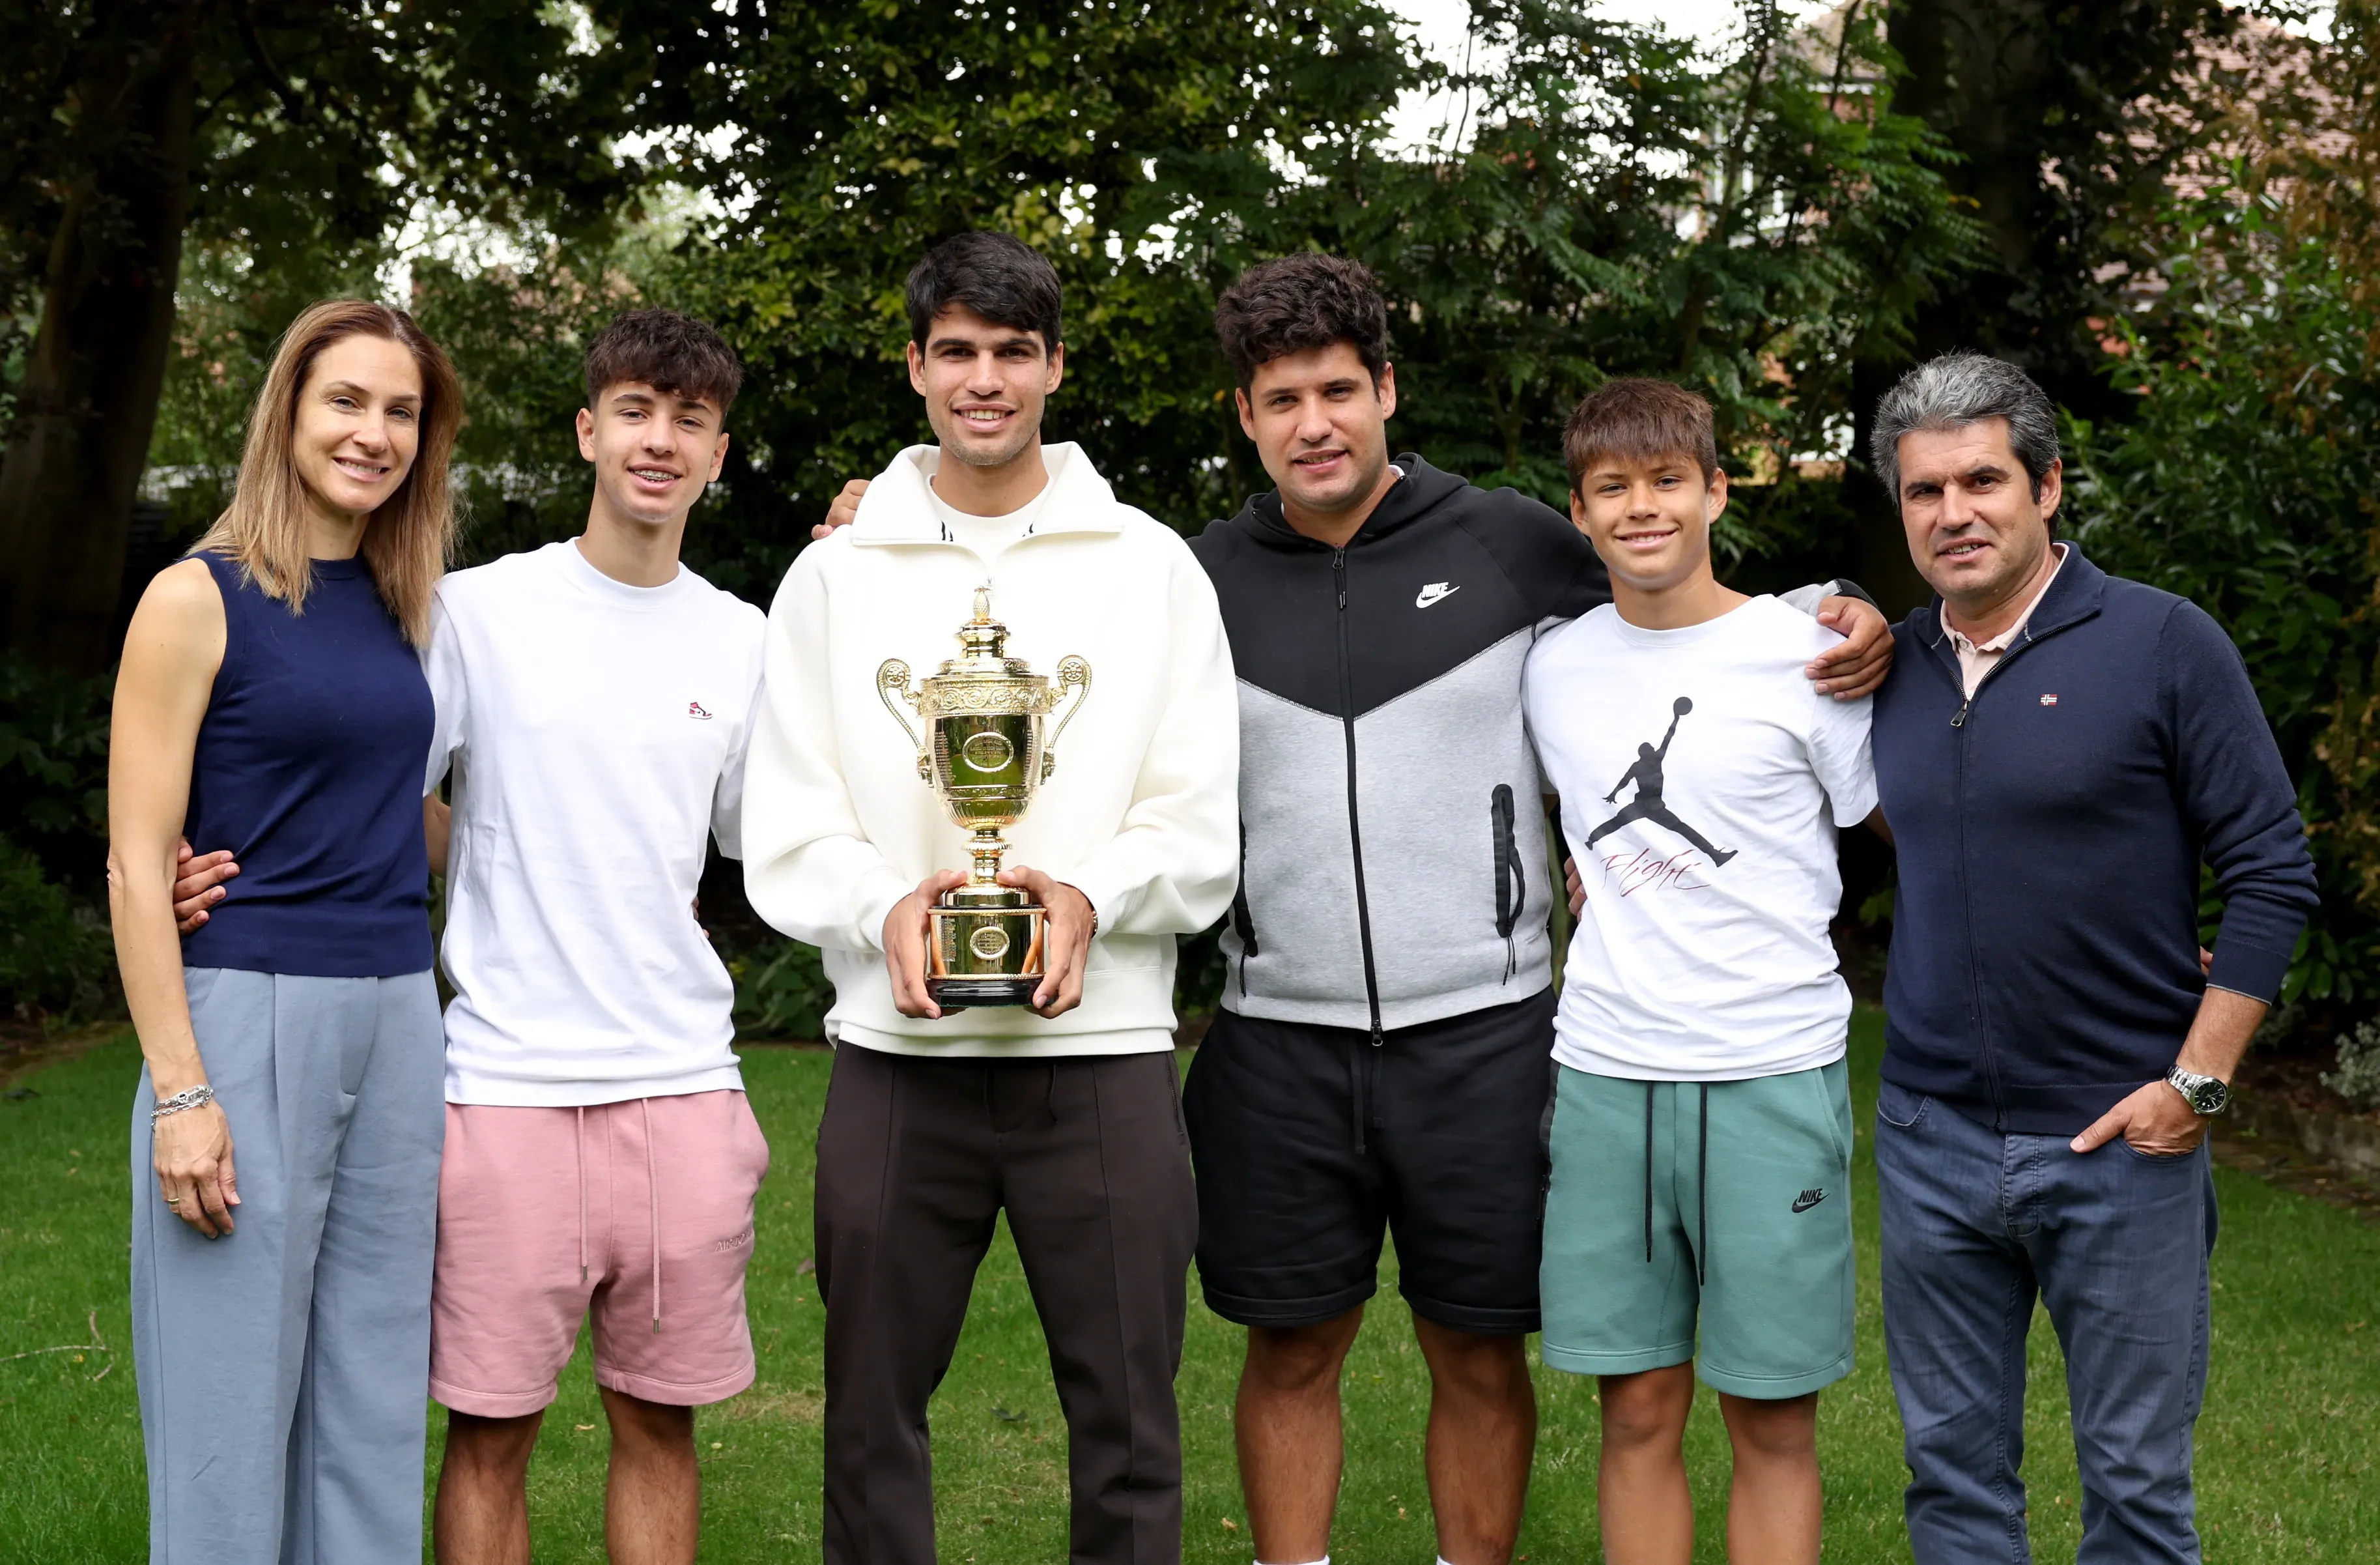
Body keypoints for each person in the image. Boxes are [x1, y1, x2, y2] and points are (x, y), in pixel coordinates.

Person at [813, 251, 1893, 1565]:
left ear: (1386, 389)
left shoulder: (1508, 542)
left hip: (1486, 1033)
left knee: (1475, 1350)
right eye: (1281, 399)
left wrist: (1832, 607)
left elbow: (1673, 591)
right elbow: (1014, 608)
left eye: (1337, 390)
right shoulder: (1188, 577)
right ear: (1245, 416)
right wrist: (887, 521)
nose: (1313, 423)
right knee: (1291, 1346)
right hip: (1279, 1039)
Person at [171, 310, 769, 1565]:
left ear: (719, 453)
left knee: (660, 1425)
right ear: (588, 431)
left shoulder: (746, 638)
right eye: (635, 412)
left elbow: (766, 841)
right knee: (489, 1435)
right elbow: (371, 778)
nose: (660, 442)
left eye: (691, 421)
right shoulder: (474, 612)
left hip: (684, 1082)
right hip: (503, 1085)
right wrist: (212, 858)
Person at [740, 231, 1239, 1565]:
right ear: (914, 366)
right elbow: (788, 817)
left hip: (1104, 1053)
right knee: (869, 1421)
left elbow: (1197, 821)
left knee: (1130, 1425)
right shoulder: (835, 575)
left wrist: (1091, 894)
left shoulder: (1151, 566)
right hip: (898, 1055)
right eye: (956, 350)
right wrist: (881, 907)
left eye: (1013, 351)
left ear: (1054, 366)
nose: (984, 379)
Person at [1864, 353, 2319, 1563]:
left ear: (2047, 485)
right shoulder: (1886, 667)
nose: (1953, 512)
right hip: (1928, 1140)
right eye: (1923, 491)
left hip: (2122, 1143)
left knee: (2133, 1491)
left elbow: (2272, 870)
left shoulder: (2162, 642)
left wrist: (2196, 1085)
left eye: (1982, 480)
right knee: (1951, 1483)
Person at [108, 298, 460, 1564]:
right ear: (288, 413)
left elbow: (395, 807)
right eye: (346, 400)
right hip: (246, 1012)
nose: (374, 432)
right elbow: (137, 865)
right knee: (227, 1407)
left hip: (398, 1017)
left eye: (401, 411)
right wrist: (182, 1090)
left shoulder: (407, 603)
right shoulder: (193, 598)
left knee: (373, 1399)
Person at [1526, 379, 1878, 1565]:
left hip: (1769, 1070)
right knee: (1634, 1409)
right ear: (1577, 511)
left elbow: (1911, 827)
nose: (1642, 507)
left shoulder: (1809, 657)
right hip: (1607, 1072)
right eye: (1612, 487)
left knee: (1771, 1416)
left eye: (1667, 480)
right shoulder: (1552, 667)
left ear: (1716, 491)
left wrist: (1847, 604)